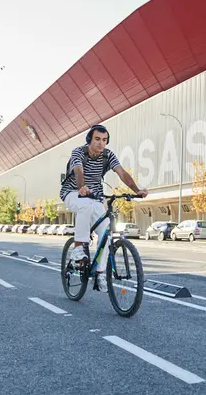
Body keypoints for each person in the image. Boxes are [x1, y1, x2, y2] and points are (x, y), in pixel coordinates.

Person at [59, 124, 147, 292]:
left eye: (104, 140)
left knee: (106, 232)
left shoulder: (108, 155)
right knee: (84, 206)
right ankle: (78, 248)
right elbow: (78, 170)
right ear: (89, 140)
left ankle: (100, 274)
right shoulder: (79, 152)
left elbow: (122, 173)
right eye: (97, 139)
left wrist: (137, 190)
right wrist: (81, 187)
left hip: (96, 197)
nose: (101, 143)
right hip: (73, 192)